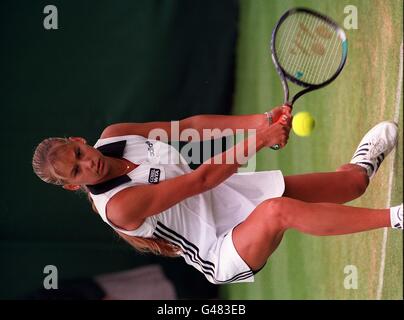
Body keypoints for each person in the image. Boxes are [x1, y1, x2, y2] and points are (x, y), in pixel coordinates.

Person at [32, 106, 402, 284]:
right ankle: (396, 218)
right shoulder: (118, 206)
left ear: (79, 141)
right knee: (277, 211)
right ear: (72, 185)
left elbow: (190, 127)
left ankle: (361, 165)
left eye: (78, 153)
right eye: (76, 171)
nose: (87, 164)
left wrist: (259, 121)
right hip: (218, 249)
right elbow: (201, 180)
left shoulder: (117, 134)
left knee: (351, 185)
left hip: (229, 194)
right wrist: (260, 140)